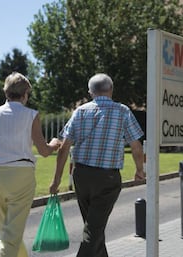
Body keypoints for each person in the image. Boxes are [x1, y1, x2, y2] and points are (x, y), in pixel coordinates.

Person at [50, 73, 145, 257]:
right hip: (107, 179)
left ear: (90, 92)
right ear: (111, 90)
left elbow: (64, 148)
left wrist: (56, 180)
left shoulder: (80, 111)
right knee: (93, 230)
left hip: (81, 176)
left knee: (94, 227)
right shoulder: (123, 111)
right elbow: (136, 146)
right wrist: (139, 170)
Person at [0, 72, 60, 257]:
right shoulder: (31, 115)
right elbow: (44, 151)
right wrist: (54, 144)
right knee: (11, 237)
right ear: (25, 94)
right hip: (21, 177)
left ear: (6, 93)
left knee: (9, 232)